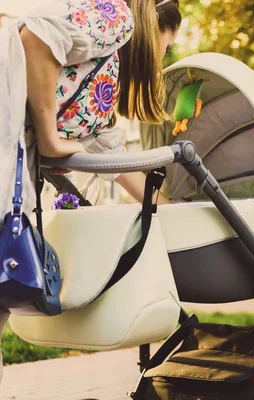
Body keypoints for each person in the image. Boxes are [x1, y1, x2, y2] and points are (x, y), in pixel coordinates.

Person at [0, 0, 182, 384]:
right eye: (168, 48)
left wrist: (181, 212)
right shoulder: (117, 17)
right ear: (156, 23)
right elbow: (35, 37)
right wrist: (51, 138)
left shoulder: (98, 91)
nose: (163, 61)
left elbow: (119, 164)